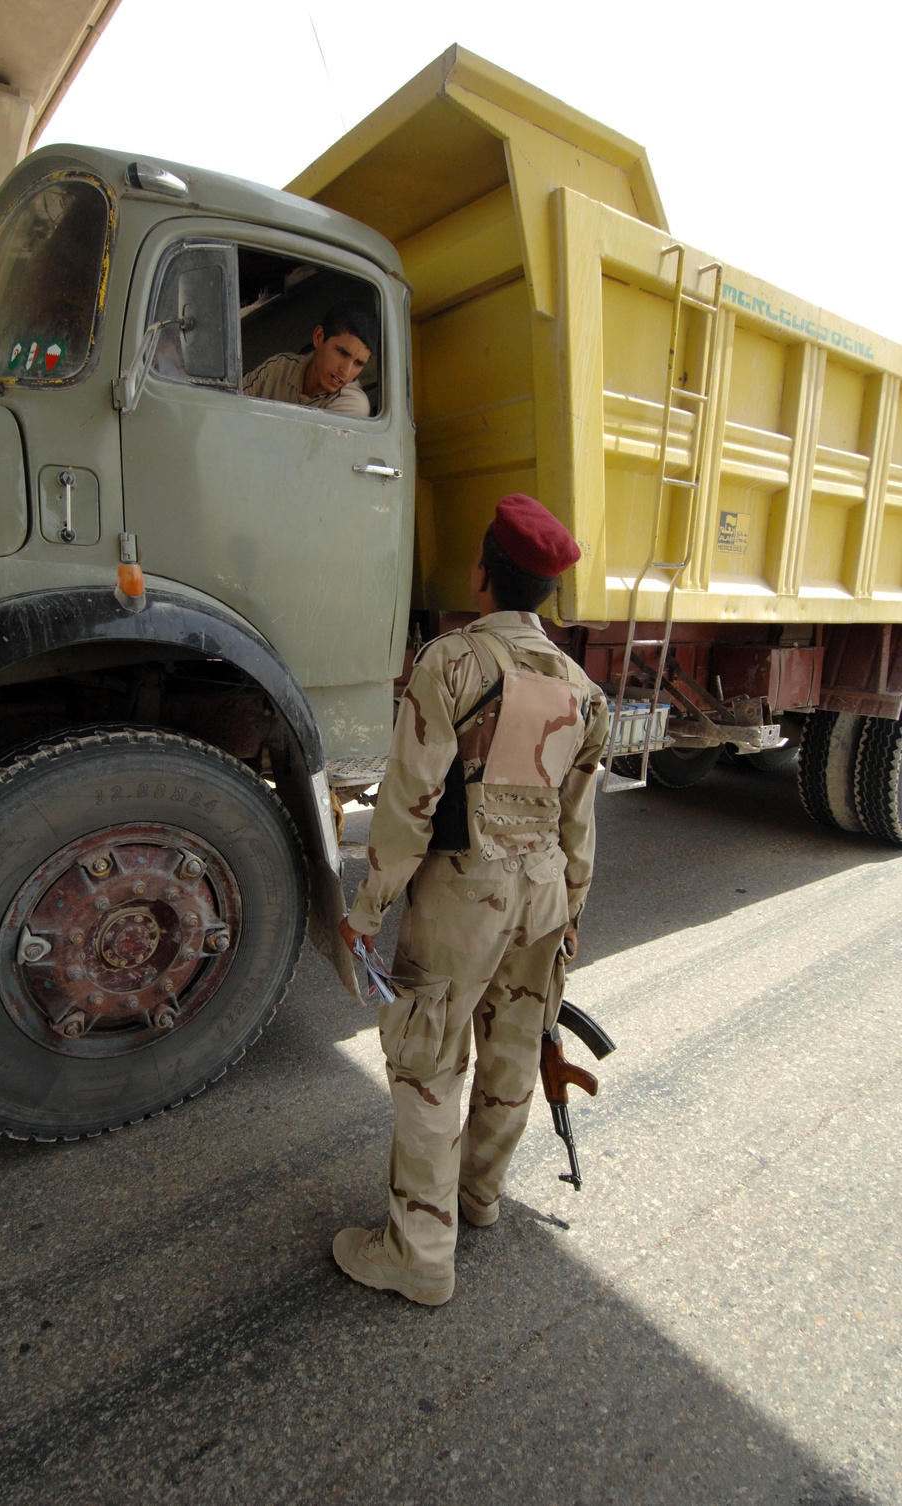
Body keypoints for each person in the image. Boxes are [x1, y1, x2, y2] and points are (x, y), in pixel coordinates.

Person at [335, 492, 609, 1307]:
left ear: (482, 574)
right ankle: (479, 1195)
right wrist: (572, 921)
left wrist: (367, 909)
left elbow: (410, 802)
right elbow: (580, 824)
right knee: (516, 1047)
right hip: (544, 895)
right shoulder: (583, 690)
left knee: (427, 1062)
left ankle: (419, 1251)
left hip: (466, 894)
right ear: (548, 594)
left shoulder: (452, 662)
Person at [242, 300, 376, 416]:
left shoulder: (353, 404)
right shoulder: (279, 368)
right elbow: (230, 404)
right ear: (319, 337)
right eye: (342, 352)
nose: (346, 371)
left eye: (358, 363)